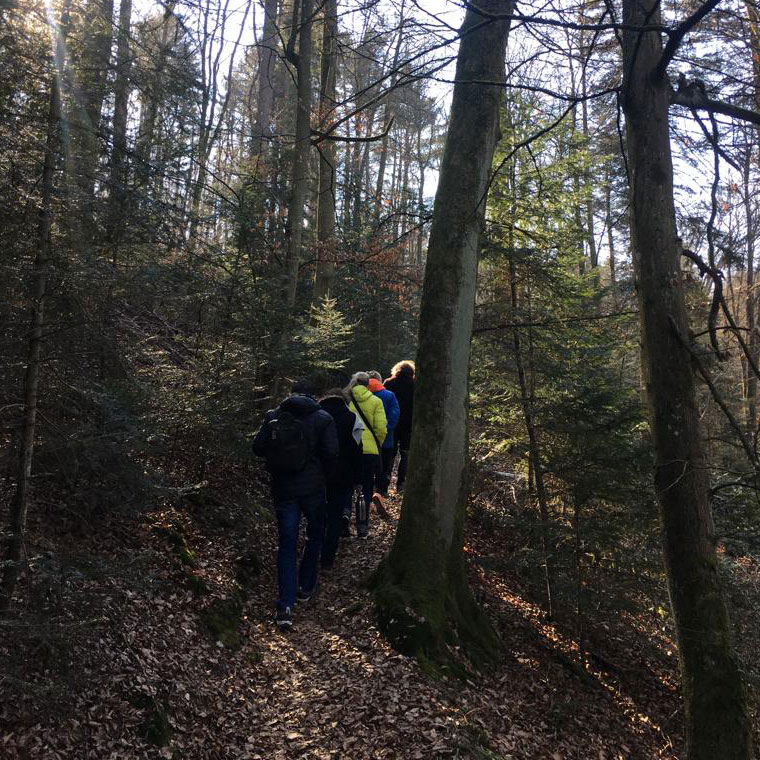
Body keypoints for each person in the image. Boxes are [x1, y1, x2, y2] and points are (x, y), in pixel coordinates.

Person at [253, 378, 338, 628]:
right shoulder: (323, 418)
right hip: (313, 490)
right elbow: (332, 453)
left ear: (291, 394)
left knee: (287, 543)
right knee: (314, 535)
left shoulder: (274, 416)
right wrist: (322, 476)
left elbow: (258, 447)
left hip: (283, 489)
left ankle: (285, 605)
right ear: (315, 396)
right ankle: (306, 584)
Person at [318, 389, 363, 569]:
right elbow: (357, 450)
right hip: (343, 475)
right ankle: (328, 558)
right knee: (335, 516)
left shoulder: (316, 416)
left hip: (318, 474)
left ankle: (314, 549)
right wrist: (359, 479)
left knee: (318, 514)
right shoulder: (352, 419)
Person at [346, 372, 386, 539]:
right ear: (368, 384)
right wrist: (377, 444)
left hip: (350, 450)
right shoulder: (376, 401)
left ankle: (345, 514)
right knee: (366, 487)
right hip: (369, 451)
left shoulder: (346, 401)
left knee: (347, 484)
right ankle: (363, 527)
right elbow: (381, 428)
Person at [384, 360, 415, 492]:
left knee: (389, 454)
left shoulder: (389, 383)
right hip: (408, 425)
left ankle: (384, 484)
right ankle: (401, 484)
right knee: (405, 454)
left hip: (391, 424)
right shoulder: (415, 384)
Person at [367, 370, 400, 498]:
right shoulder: (389, 395)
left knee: (369, 466)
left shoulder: (362, 395)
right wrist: (386, 428)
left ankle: (367, 490)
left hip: (367, 439)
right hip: (386, 438)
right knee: (385, 466)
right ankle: (382, 490)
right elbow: (395, 414)